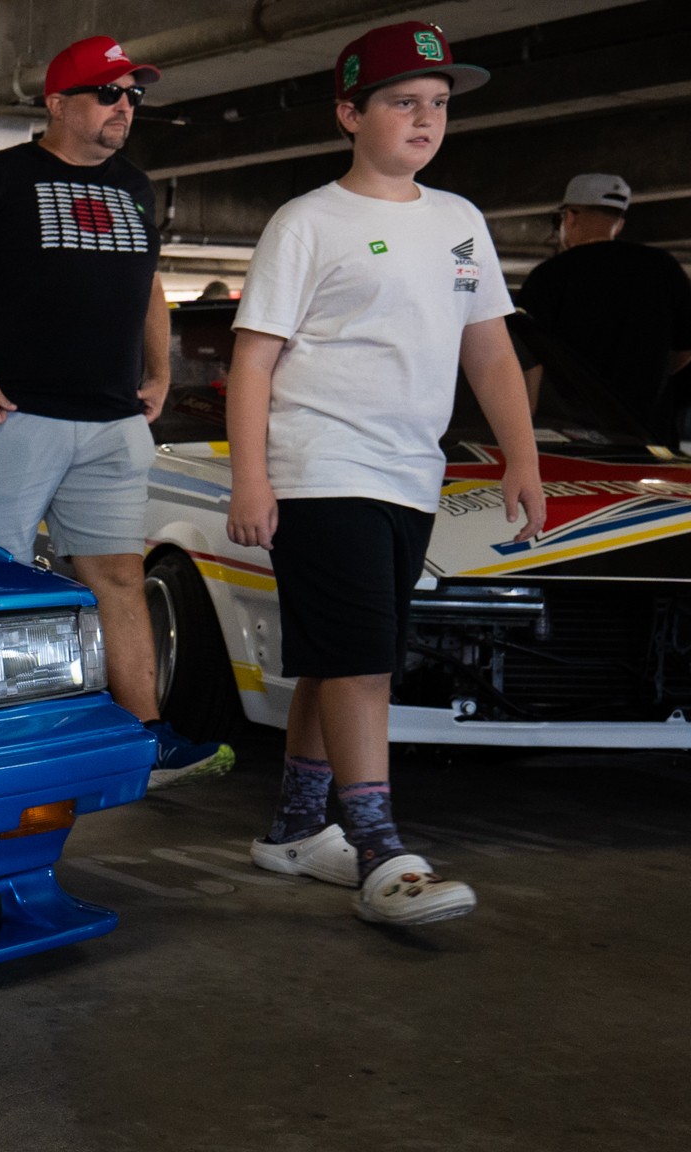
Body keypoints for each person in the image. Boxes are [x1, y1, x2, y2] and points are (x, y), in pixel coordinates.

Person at [224, 22, 546, 925]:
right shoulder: (309, 221)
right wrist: (252, 479)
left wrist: (519, 455)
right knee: (365, 660)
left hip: (412, 474)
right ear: (349, 113)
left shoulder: (458, 221)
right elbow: (253, 360)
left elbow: (488, 349)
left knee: (338, 659)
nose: (425, 119)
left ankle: (294, 828)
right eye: (402, 101)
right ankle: (382, 851)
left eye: (438, 104)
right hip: (321, 465)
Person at [0, 35, 234, 789]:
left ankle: (147, 736)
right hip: (12, 418)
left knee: (119, 575)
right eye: (109, 95)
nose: (126, 108)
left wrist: (160, 371)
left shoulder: (135, 186)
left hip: (112, 420)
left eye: (134, 97)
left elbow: (150, 287)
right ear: (58, 103)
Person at [519, 174, 691, 445]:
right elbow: (683, 353)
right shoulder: (663, 267)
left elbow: (528, 358)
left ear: (570, 216)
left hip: (568, 435)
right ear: (619, 223)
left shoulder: (550, 276)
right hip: (650, 436)